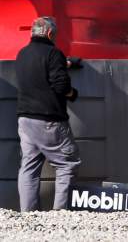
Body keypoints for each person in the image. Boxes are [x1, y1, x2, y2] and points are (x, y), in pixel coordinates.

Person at [16, 16, 81, 211]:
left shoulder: (23, 53)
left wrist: (65, 63)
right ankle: (59, 214)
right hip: (49, 121)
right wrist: (73, 94)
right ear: (51, 34)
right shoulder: (53, 53)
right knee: (67, 164)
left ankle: (29, 214)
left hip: (25, 120)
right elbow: (61, 85)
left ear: (32, 33)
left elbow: (40, 69)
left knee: (29, 168)